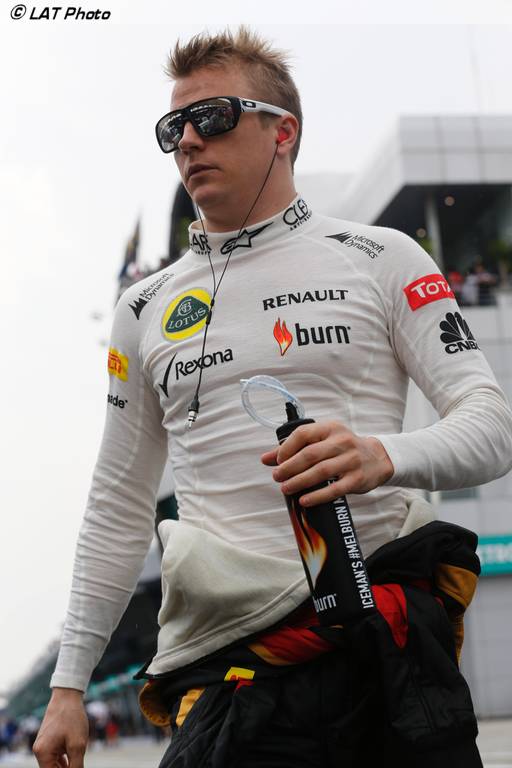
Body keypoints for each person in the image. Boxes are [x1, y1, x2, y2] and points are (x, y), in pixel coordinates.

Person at [34, 26, 512, 768]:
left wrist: (384, 455)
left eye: (212, 116)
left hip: (385, 651)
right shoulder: (143, 307)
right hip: (230, 669)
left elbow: (492, 426)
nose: (189, 140)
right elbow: (119, 502)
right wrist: (68, 684)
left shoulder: (384, 257)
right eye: (173, 127)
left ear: (282, 131)